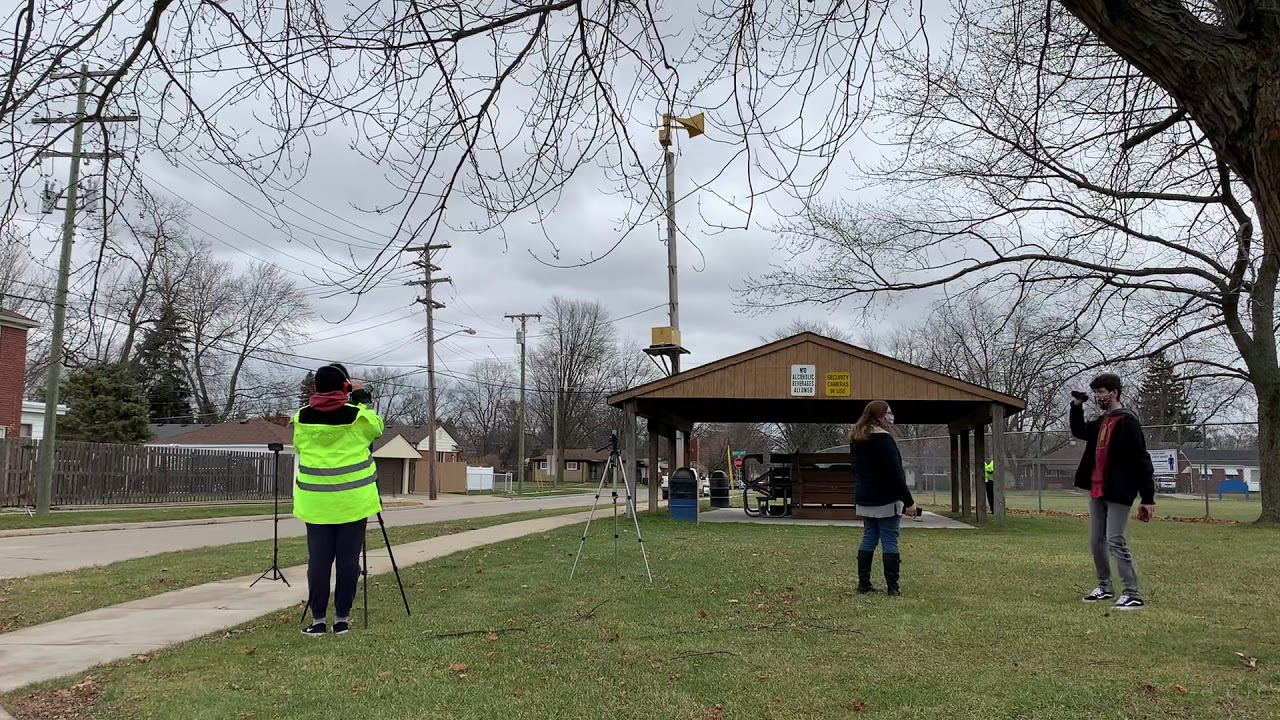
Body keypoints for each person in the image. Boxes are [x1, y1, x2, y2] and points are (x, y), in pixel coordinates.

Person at [293, 363, 385, 636]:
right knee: (348, 562)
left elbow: (299, 446)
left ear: (314, 389)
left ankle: (318, 620)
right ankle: (342, 619)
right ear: (344, 387)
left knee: (318, 563)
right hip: (353, 503)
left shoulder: (300, 418)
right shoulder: (359, 418)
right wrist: (360, 396)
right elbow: (377, 429)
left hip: (315, 504)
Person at [1071, 373, 1156, 610]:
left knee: (1115, 540)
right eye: (1095, 392)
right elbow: (1079, 431)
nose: (1097, 397)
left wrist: (1148, 498)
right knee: (1096, 541)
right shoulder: (1101, 423)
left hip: (1119, 491)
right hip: (1098, 490)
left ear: (1114, 393)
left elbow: (1142, 460)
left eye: (1100, 392)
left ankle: (1132, 593)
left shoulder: (1127, 422)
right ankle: (1105, 587)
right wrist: (1077, 406)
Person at [849, 400, 918, 596]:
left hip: (865, 498)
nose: (891, 415)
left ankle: (864, 583)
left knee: (869, 537)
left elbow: (855, 469)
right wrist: (908, 501)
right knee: (890, 540)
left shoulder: (856, 438)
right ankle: (893, 587)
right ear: (879, 416)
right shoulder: (885, 440)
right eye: (888, 412)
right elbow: (895, 473)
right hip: (886, 498)